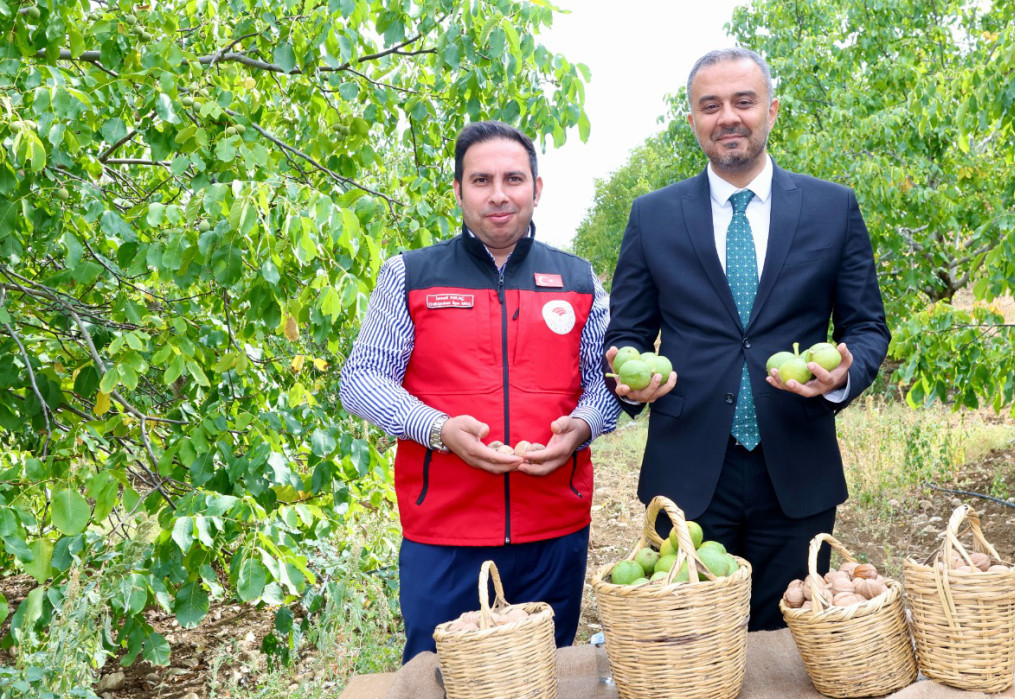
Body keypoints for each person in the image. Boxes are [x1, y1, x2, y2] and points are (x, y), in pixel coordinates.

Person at [604, 48, 890, 631]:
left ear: (771, 110)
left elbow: (866, 326)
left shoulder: (831, 208)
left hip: (795, 464)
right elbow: (628, 334)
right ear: (693, 120)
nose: (727, 117)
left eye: (743, 101)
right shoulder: (652, 216)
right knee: (687, 636)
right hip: (687, 468)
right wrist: (632, 384)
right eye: (710, 105)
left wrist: (844, 374)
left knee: (793, 638)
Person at [341, 121, 620, 661]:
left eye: (513, 179)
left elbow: (604, 382)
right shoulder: (410, 275)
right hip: (444, 530)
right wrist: (438, 429)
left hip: (553, 528)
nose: (498, 194)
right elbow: (361, 378)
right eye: (481, 180)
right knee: (439, 673)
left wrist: (582, 427)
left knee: (543, 672)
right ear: (458, 190)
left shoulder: (579, 280)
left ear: (537, 188)